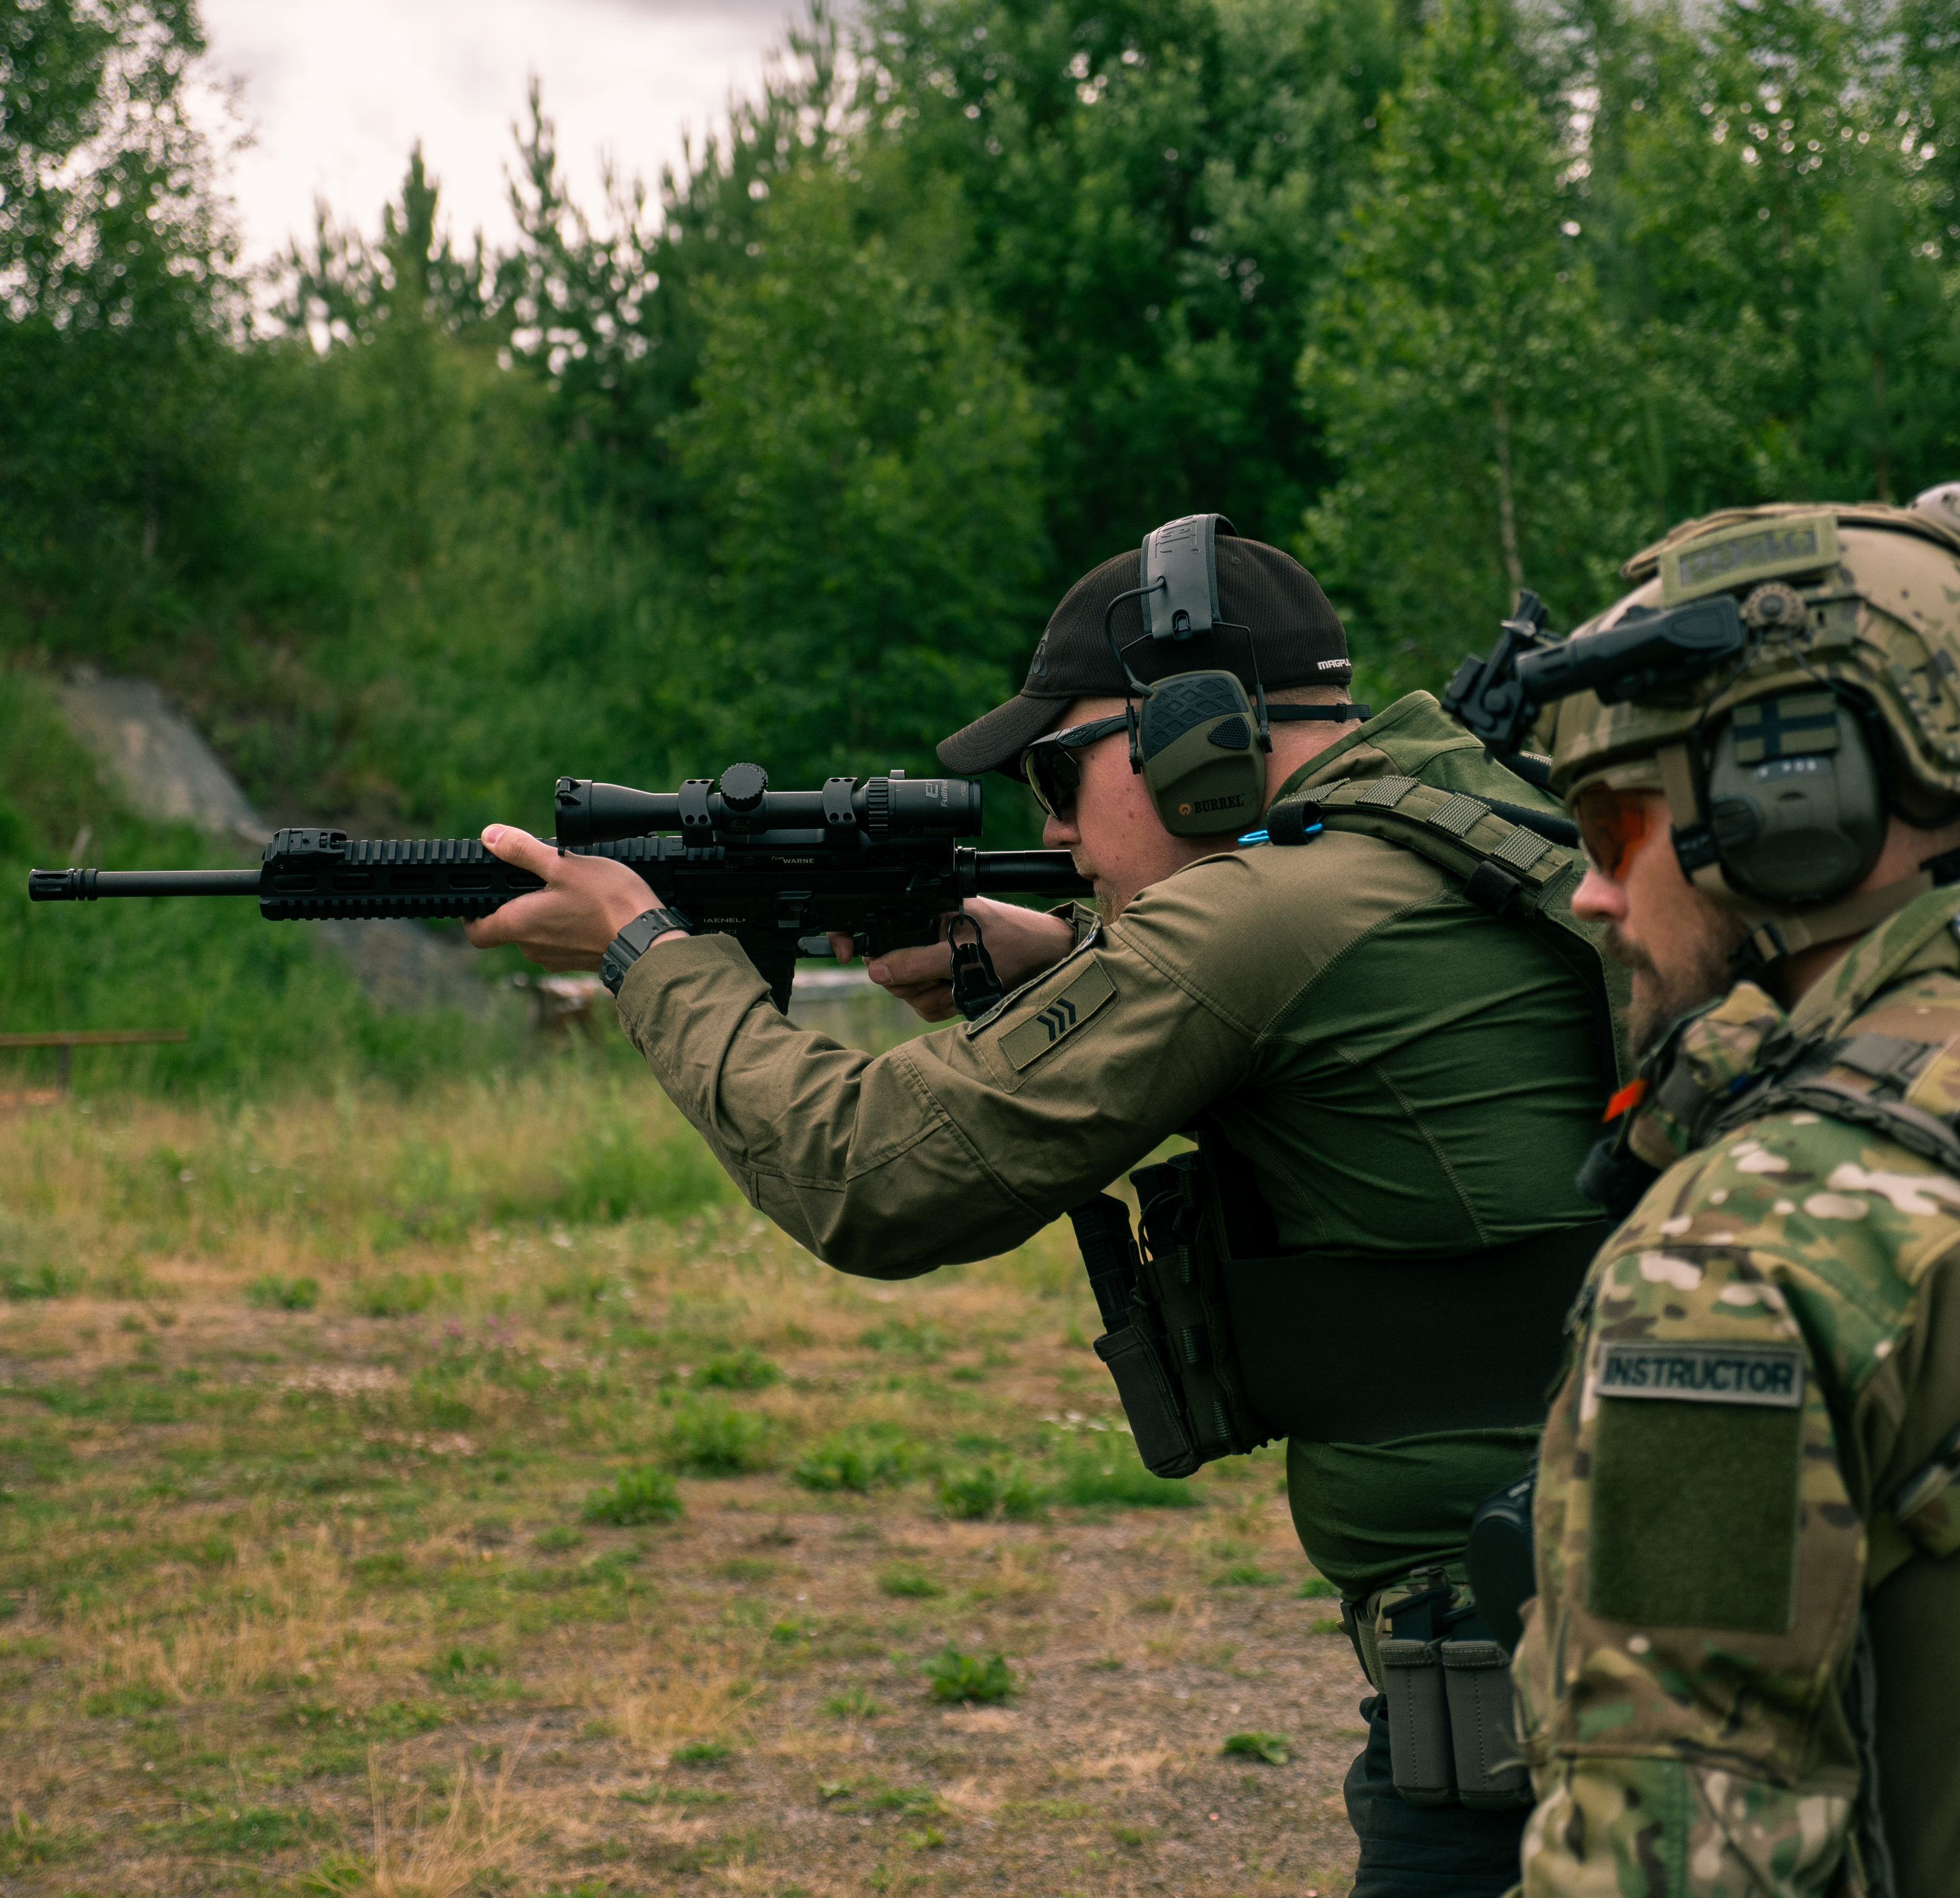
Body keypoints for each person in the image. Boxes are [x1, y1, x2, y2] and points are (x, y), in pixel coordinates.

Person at [465, 519, 1620, 1893]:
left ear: (1192, 731)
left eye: (1057, 774)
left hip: (1519, 1683)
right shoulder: (1464, 827)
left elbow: (872, 1172)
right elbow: (1328, 1028)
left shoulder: (1262, 909)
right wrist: (1069, 958)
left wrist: (645, 953)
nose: (1057, 829)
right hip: (1606, 1611)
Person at [1491, 490, 1960, 1895]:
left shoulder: (1749, 1249)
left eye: (1609, 827)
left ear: (1790, 799)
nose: (1588, 894)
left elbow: (1674, 1857)